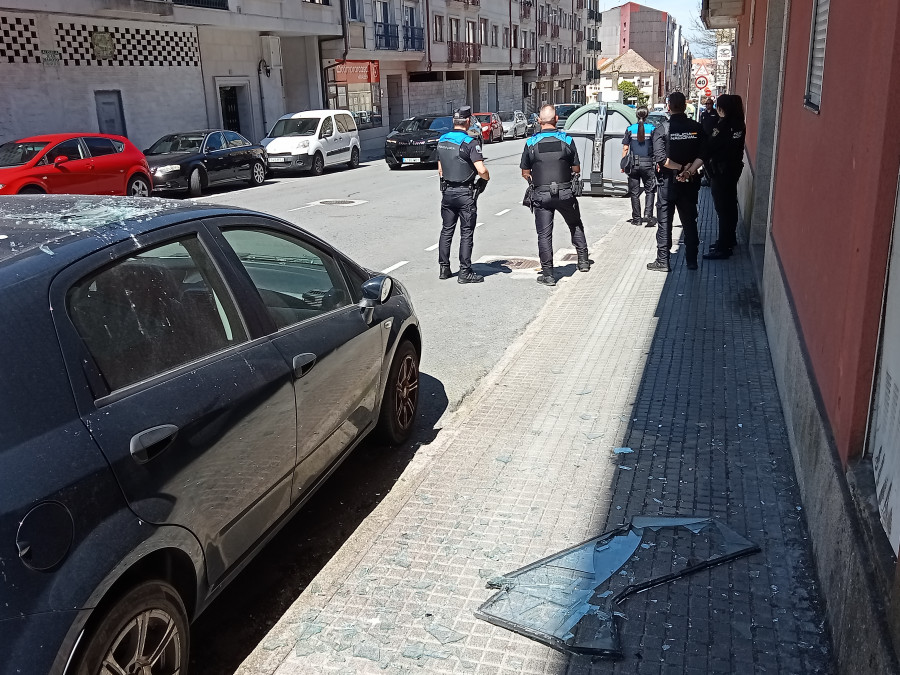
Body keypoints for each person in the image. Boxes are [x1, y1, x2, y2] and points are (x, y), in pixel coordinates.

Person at [520, 104, 591, 287]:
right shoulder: (567, 140)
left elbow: (525, 171)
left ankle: (548, 274)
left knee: (544, 235)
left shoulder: (531, 143)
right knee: (575, 224)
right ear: (557, 119)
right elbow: (576, 168)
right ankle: (583, 262)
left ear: (538, 121)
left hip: (541, 194)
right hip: (565, 192)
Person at [648, 91, 707, 272]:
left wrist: (680, 168)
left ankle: (663, 261)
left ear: (668, 106)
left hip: (668, 183)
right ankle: (691, 261)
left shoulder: (662, 129)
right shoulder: (696, 127)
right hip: (690, 183)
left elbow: (661, 159)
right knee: (689, 221)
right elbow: (704, 155)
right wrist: (689, 171)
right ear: (685, 106)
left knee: (664, 222)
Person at [437, 106, 490, 283]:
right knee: (466, 232)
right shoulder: (470, 143)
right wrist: (486, 178)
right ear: (468, 122)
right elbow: (481, 170)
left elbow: (440, 169)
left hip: (447, 192)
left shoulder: (442, 140)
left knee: (446, 230)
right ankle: (464, 272)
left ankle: (444, 268)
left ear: (454, 121)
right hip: (465, 193)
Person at [703, 94, 746, 260]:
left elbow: (710, 144)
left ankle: (723, 247)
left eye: (719, 107)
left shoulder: (723, 126)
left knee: (723, 209)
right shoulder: (739, 124)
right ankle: (729, 239)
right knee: (730, 205)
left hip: (721, 172)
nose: (717, 110)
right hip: (732, 170)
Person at [621, 106, 657, 226]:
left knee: (634, 193)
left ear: (637, 115)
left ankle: (636, 219)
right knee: (650, 191)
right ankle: (648, 215)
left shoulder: (630, 129)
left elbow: (625, 148)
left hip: (633, 165)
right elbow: (657, 147)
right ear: (647, 116)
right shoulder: (652, 129)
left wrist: (623, 164)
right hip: (648, 165)